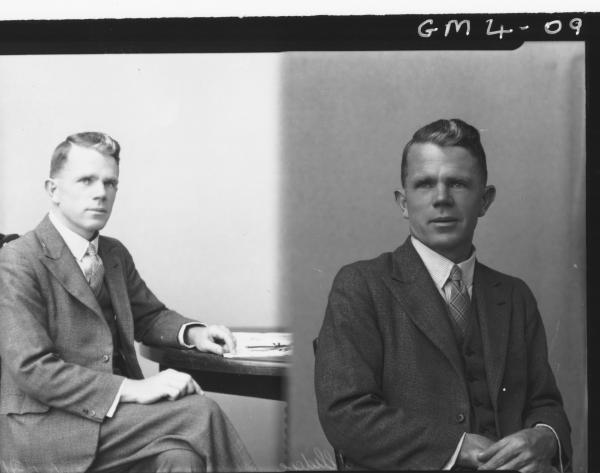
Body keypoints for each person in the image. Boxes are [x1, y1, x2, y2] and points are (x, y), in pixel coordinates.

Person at [314, 119, 572, 472]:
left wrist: (545, 437)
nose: (441, 198)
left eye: (458, 183)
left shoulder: (515, 296)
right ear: (403, 203)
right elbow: (344, 413)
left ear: (485, 200)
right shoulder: (361, 286)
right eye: (424, 184)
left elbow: (545, 403)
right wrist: (456, 448)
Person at [0, 132, 256, 473]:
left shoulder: (113, 253)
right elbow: (34, 371)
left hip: (111, 422)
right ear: (53, 190)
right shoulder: (18, 260)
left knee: (181, 458)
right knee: (200, 413)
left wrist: (194, 333)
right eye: (86, 180)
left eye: (110, 183)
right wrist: (134, 389)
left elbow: (149, 316)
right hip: (48, 429)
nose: (100, 193)